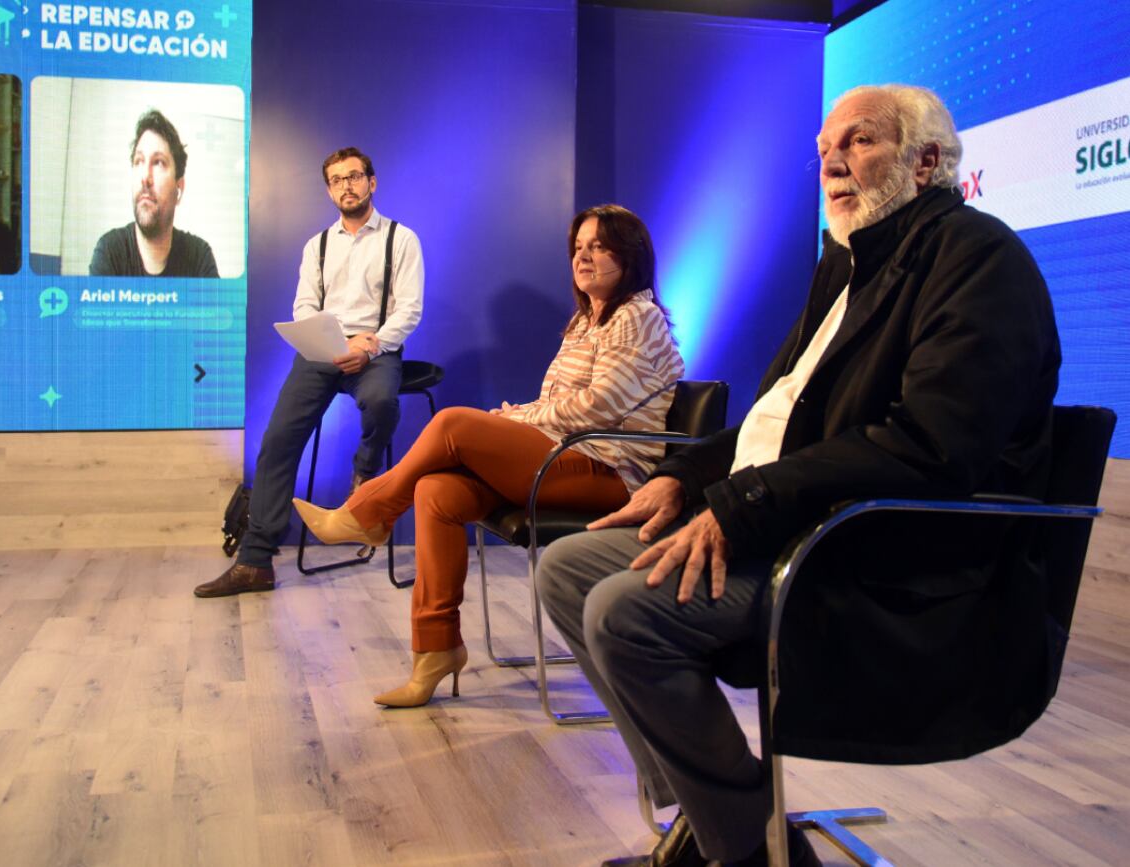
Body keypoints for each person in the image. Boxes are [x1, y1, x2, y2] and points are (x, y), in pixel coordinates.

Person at [537, 84, 1061, 867]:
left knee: (622, 613)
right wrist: (686, 476)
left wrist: (741, 503)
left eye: (858, 142)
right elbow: (772, 417)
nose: (832, 163)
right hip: (795, 525)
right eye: (823, 150)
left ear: (925, 162)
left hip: (876, 560)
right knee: (565, 568)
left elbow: (927, 446)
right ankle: (710, 818)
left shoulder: (980, 260)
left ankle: (745, 848)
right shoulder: (848, 267)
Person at [296, 204, 685, 708]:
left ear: (630, 256)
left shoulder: (637, 317)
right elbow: (556, 405)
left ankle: (369, 510)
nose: (583, 257)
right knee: (437, 491)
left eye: (599, 246)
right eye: (578, 247)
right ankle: (435, 651)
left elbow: (597, 407)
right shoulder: (586, 320)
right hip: (566, 455)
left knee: (454, 423)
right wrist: (518, 415)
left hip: (611, 473)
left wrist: (516, 422)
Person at [193, 147, 424, 598]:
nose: (347, 186)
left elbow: (409, 309)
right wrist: (327, 340)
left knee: (380, 401)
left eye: (355, 177)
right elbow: (303, 306)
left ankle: (365, 471)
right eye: (337, 180)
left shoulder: (402, 239)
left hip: (376, 349)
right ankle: (256, 561)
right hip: (323, 353)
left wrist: (370, 343)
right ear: (329, 190)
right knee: (277, 439)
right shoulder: (316, 246)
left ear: (372, 182)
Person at [90, 109, 220, 278]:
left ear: (179, 188)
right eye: (139, 161)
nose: (145, 177)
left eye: (158, 162)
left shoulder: (199, 259)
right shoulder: (110, 252)